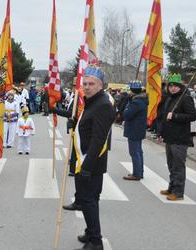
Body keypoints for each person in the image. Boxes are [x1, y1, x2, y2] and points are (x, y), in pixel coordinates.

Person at [73, 65, 115, 250]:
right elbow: (87, 125)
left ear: (100, 85)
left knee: (89, 201)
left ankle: (96, 241)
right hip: (87, 160)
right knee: (90, 200)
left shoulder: (103, 104)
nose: (87, 87)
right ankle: (91, 232)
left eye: (91, 84)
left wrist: (86, 168)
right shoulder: (91, 101)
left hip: (92, 163)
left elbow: (98, 139)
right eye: (85, 83)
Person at [158, 73, 196, 201]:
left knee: (178, 166)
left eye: (175, 86)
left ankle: (178, 192)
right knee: (171, 165)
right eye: (171, 86)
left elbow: (192, 116)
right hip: (169, 137)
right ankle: (171, 187)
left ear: (180, 87)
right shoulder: (170, 98)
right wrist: (161, 133)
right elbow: (164, 118)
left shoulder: (186, 98)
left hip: (180, 139)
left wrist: (175, 116)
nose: (173, 88)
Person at [123, 80, 148, 181]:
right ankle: (139, 172)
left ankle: (136, 174)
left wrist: (127, 105)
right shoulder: (141, 100)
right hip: (139, 129)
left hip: (134, 129)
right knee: (138, 152)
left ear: (132, 91)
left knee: (134, 152)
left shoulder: (136, 102)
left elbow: (127, 114)